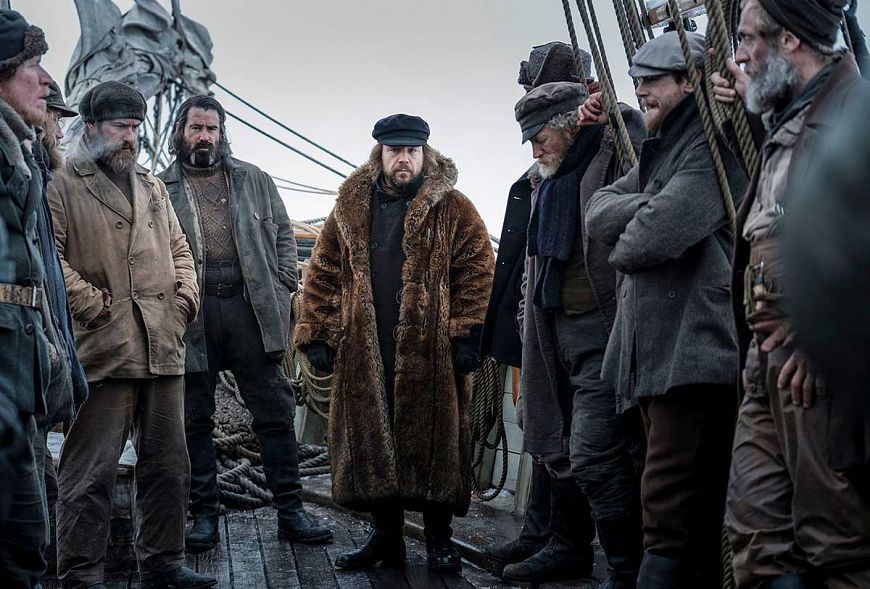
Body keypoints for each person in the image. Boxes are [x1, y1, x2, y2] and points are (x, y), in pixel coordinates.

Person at [710, 0, 870, 586]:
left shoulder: (856, 114)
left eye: (749, 39)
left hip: (817, 369)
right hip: (766, 359)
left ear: (792, 41)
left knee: (835, 544)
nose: (740, 56)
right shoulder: (788, 115)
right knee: (755, 533)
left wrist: (819, 337)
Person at [295, 114, 494, 573]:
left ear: (425, 154)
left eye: (411, 151)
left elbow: (477, 269)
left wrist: (467, 331)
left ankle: (439, 538)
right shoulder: (350, 209)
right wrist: (319, 332)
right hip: (365, 347)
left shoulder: (454, 208)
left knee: (434, 443)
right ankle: (384, 536)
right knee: (373, 441)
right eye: (394, 151)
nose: (403, 159)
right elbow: (322, 273)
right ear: (379, 154)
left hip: (431, 350)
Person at [585, 31, 748, 588]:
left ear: (691, 81)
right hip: (654, 361)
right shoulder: (663, 150)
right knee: (672, 507)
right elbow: (597, 212)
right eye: (637, 80)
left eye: (653, 80)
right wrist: (649, 204)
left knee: (669, 515)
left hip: (694, 360)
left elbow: (645, 241)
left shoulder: (713, 147)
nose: (640, 90)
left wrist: (636, 226)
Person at [48, 81, 214, 589]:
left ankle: (163, 562)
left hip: (162, 343)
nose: (131, 137)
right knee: (90, 472)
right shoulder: (61, 184)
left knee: (169, 465)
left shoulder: (151, 185)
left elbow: (180, 249)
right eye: (121, 127)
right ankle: (81, 573)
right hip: (105, 346)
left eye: (136, 127)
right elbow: (49, 258)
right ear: (91, 127)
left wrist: (185, 299)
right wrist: (89, 304)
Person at [157, 94, 332, 551]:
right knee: (194, 417)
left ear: (222, 133)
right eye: (196, 128)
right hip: (192, 313)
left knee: (274, 412)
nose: (204, 137)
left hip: (249, 308)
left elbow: (282, 233)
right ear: (180, 133)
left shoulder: (254, 179)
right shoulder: (160, 188)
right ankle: (205, 516)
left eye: (212, 129)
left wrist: (283, 282)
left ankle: (291, 512)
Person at [501, 82, 645, 588]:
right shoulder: (549, 180)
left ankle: (627, 570)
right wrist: (526, 319)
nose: (534, 151)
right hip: (551, 335)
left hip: (602, 336)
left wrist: (611, 112)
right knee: (554, 444)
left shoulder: (607, 155)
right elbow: (533, 264)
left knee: (594, 453)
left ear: (569, 126)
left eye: (540, 138)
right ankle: (569, 548)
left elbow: (641, 145)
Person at [480, 41, 599, 581]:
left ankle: (564, 541)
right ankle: (539, 533)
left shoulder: (591, 154)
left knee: (574, 437)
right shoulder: (540, 175)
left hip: (581, 326)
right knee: (545, 427)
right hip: (541, 322)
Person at [0, 10, 52, 587]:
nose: (46, 80)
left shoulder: (21, 155)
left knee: (26, 544)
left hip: (21, 376)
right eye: (33, 64)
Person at [32, 78, 87, 578]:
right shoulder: (42, 182)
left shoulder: (37, 173)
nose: (59, 129)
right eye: (54, 117)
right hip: (25, 353)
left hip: (40, 350)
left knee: (38, 488)